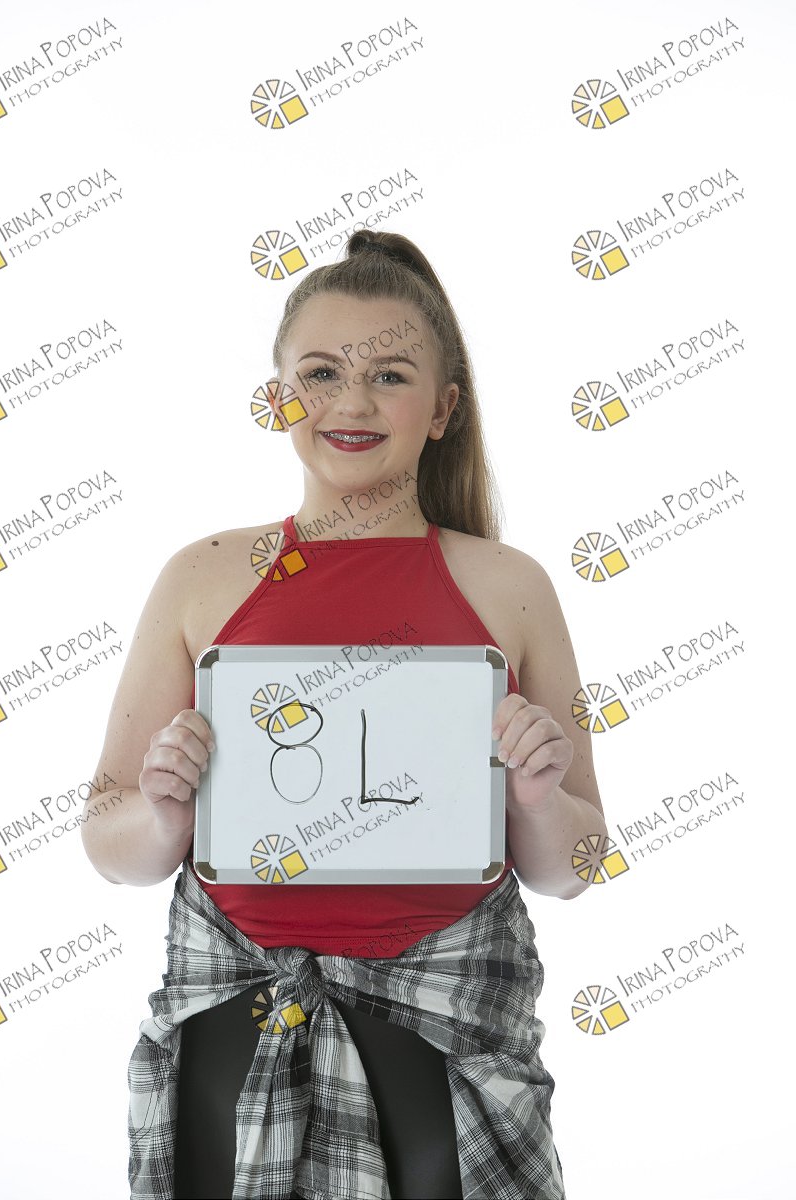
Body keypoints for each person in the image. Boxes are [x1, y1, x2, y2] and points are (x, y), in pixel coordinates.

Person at [81, 229, 608, 1200]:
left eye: (390, 376)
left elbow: (575, 864)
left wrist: (535, 797)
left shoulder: (511, 587)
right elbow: (109, 844)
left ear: (443, 408)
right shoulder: (200, 577)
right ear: (280, 395)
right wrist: (162, 812)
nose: (352, 403)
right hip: (236, 1032)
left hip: (446, 1038)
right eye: (320, 373)